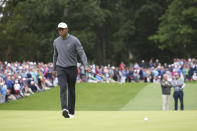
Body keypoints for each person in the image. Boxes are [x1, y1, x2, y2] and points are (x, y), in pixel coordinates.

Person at [52, 22, 91, 118]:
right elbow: (55, 55)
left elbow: (82, 53)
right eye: (59, 29)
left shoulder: (74, 40)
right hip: (60, 68)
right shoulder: (56, 41)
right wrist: (54, 68)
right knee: (63, 87)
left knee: (71, 89)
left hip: (72, 68)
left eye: (62, 29)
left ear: (66, 29)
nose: (60, 31)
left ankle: (71, 112)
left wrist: (86, 65)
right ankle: (64, 108)